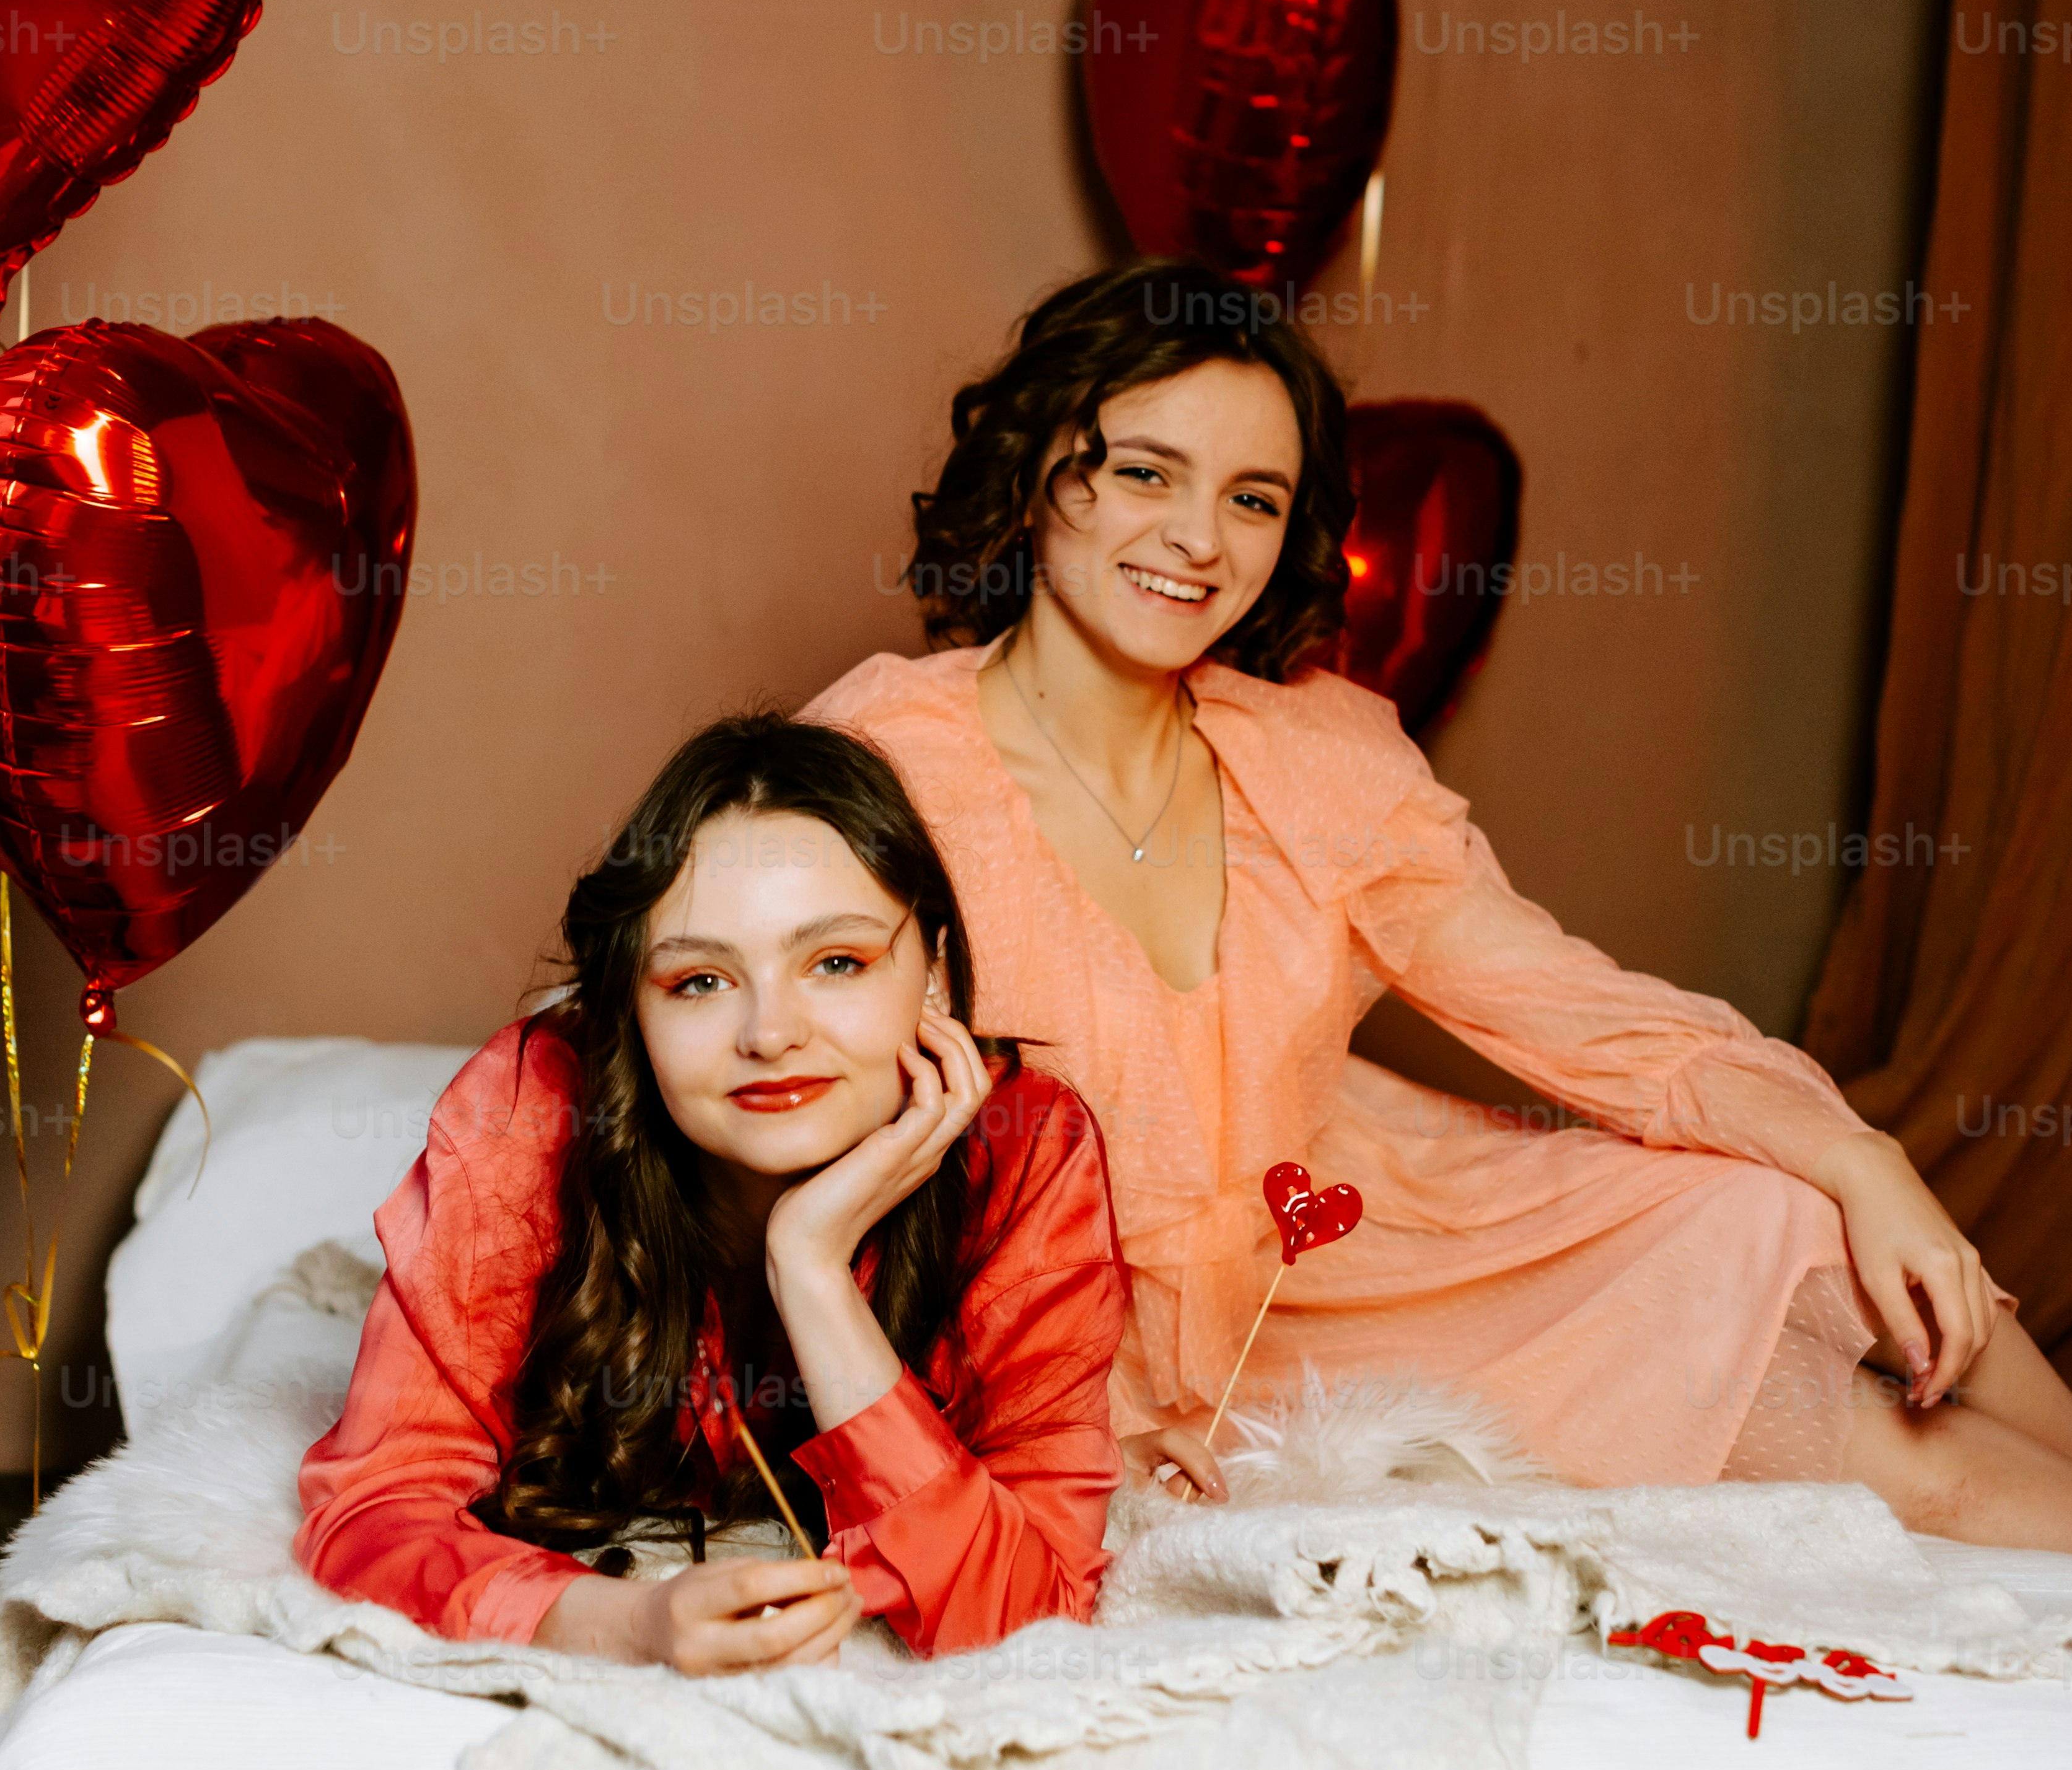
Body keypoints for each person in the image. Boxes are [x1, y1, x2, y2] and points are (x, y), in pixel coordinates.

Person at [807, 260, 2072, 1549]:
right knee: (1900, 1474)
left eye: (1253, 498)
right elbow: (779, 1104)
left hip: (1356, 1250)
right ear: (1034, 476)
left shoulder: (1318, 760)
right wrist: (1064, 1418)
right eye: (1144, 472)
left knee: (1793, 1212)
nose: (1199, 539)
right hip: (1094, 1339)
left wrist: (1866, 1156)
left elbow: (1572, 1008)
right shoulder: (882, 762)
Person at [295, 716, 1128, 1670]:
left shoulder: (1025, 1150)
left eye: (837, 962)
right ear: (632, 1010)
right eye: (699, 980)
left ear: (931, 971)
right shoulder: (534, 1110)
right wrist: (629, 1623)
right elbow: (372, 1512)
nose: (770, 1032)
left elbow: (1032, 1618)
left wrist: (808, 1268)